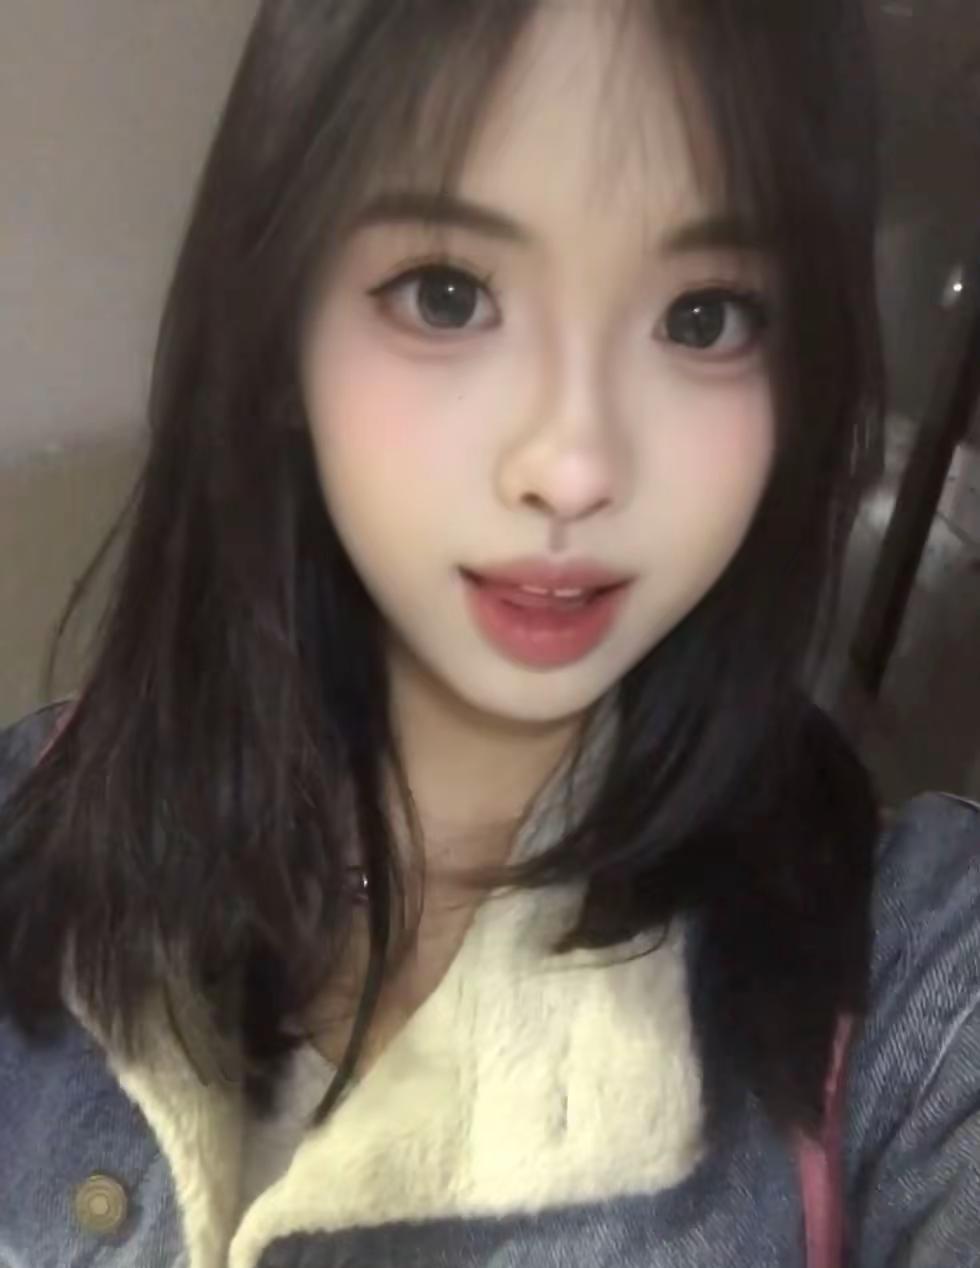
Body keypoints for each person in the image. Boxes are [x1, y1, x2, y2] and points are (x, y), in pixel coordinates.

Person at [1, 1, 978, 1265]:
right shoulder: (31, 816)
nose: (570, 467)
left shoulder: (915, 972)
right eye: (448, 294)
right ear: (277, 332)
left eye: (703, 317)